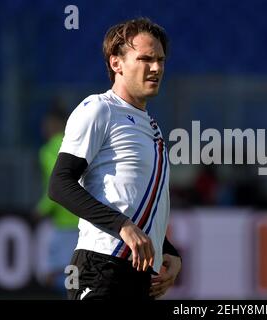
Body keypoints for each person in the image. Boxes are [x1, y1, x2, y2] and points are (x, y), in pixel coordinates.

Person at [48, 17, 181, 300]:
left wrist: (168, 251)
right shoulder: (99, 109)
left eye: (160, 60)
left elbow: (132, 201)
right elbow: (59, 184)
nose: (156, 67)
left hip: (139, 274)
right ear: (116, 63)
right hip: (102, 266)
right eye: (145, 58)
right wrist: (121, 226)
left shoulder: (151, 127)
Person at [36, 106, 79, 295]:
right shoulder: (78, 145)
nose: (44, 128)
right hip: (85, 218)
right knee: (75, 271)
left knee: (55, 274)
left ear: (55, 124)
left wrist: (41, 210)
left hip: (65, 222)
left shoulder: (47, 151)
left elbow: (57, 187)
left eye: (46, 124)